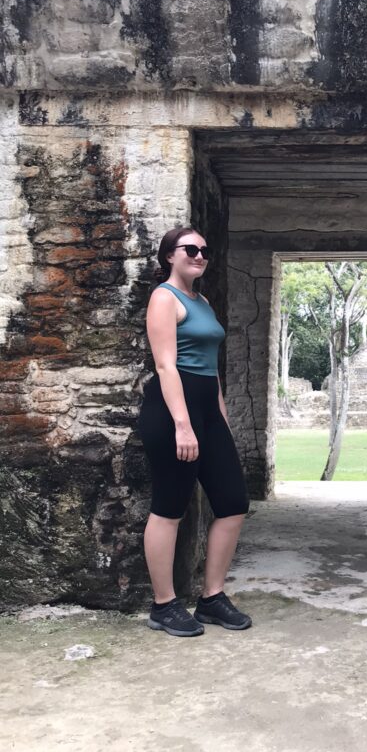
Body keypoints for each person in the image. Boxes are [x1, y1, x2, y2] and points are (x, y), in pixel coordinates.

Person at [137, 226, 251, 637]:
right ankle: (164, 605)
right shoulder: (164, 298)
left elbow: (210, 367)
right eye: (190, 249)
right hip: (172, 413)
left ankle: (212, 598)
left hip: (205, 410)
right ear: (170, 255)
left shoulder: (201, 301)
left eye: (205, 250)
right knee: (170, 507)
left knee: (233, 502)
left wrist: (218, 420)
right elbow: (167, 366)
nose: (199, 255)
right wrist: (183, 426)